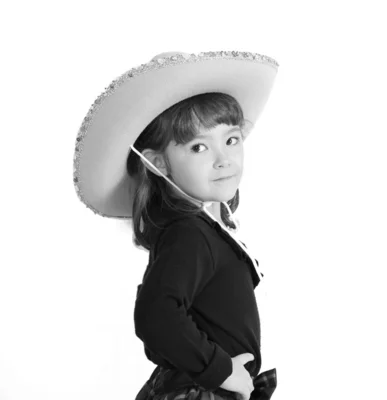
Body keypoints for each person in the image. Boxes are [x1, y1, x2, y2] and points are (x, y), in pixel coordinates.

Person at [72, 51, 279, 400]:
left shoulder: (206, 229)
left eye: (231, 139)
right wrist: (221, 370)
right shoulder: (189, 234)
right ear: (158, 164)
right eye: (199, 147)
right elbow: (156, 314)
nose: (223, 159)